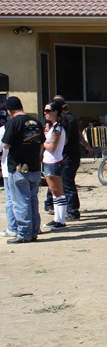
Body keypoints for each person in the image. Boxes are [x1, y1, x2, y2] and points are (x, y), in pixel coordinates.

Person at [1, 96, 45, 244]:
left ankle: (24, 233)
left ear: (9, 110)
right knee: (33, 201)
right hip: (34, 167)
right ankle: (34, 232)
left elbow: (5, 145)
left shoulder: (13, 122)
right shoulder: (36, 122)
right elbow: (41, 144)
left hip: (18, 168)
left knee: (21, 202)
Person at [43, 95, 93, 220]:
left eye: (49, 110)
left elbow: (64, 140)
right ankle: (51, 205)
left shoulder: (65, 121)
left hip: (67, 156)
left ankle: (72, 211)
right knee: (57, 182)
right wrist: (86, 145)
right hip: (67, 155)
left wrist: (45, 139)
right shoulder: (65, 120)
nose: (46, 113)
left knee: (67, 183)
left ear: (57, 110)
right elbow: (78, 134)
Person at [41, 100, 68, 231]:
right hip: (51, 161)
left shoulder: (57, 128)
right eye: (45, 110)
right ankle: (57, 219)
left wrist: (42, 140)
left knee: (58, 192)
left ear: (55, 112)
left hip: (54, 162)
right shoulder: (55, 127)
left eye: (48, 111)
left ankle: (61, 221)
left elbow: (52, 147)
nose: (45, 113)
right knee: (54, 192)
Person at [0, 105, 17, 237]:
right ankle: (32, 226)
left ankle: (12, 227)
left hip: (8, 168)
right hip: (26, 167)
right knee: (27, 199)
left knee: (11, 199)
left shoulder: (3, 129)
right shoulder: (27, 125)